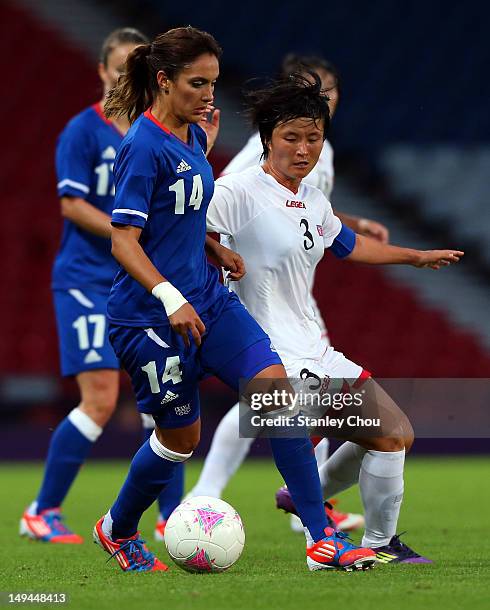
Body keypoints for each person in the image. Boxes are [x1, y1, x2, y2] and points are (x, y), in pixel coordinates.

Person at [92, 26, 377, 573]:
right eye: (197, 84)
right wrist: (172, 295)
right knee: (178, 442)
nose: (208, 95)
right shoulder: (141, 147)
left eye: (214, 82)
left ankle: (322, 538)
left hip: (209, 301)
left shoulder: (196, 137)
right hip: (150, 319)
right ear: (164, 80)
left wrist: (211, 249)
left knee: (279, 395)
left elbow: (179, 218)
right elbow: (123, 238)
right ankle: (118, 528)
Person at [205, 72, 463, 562]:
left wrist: (414, 257)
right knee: (362, 435)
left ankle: (349, 527)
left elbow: (347, 244)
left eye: (313, 138)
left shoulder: (312, 198)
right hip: (269, 351)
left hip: (315, 346)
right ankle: (328, 540)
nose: (304, 149)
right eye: (291, 138)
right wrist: (216, 252)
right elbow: (182, 227)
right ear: (268, 139)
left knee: (395, 435)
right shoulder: (237, 190)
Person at [186, 54, 385, 534]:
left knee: (294, 393)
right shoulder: (261, 147)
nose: (326, 96)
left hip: (296, 292)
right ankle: (209, 496)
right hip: (257, 286)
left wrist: (350, 225)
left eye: (331, 88)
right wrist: (221, 253)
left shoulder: (323, 149)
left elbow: (302, 206)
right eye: (313, 87)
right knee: (286, 393)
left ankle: (302, 502)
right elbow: (225, 198)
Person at [19, 28, 152, 544]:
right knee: (100, 399)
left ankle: (168, 518)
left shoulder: (151, 134)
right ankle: (43, 509)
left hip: (135, 279)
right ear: (102, 71)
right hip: (88, 279)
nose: (126, 78)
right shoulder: (81, 131)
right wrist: (128, 230)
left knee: (163, 398)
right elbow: (71, 204)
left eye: (136, 70)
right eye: (119, 68)